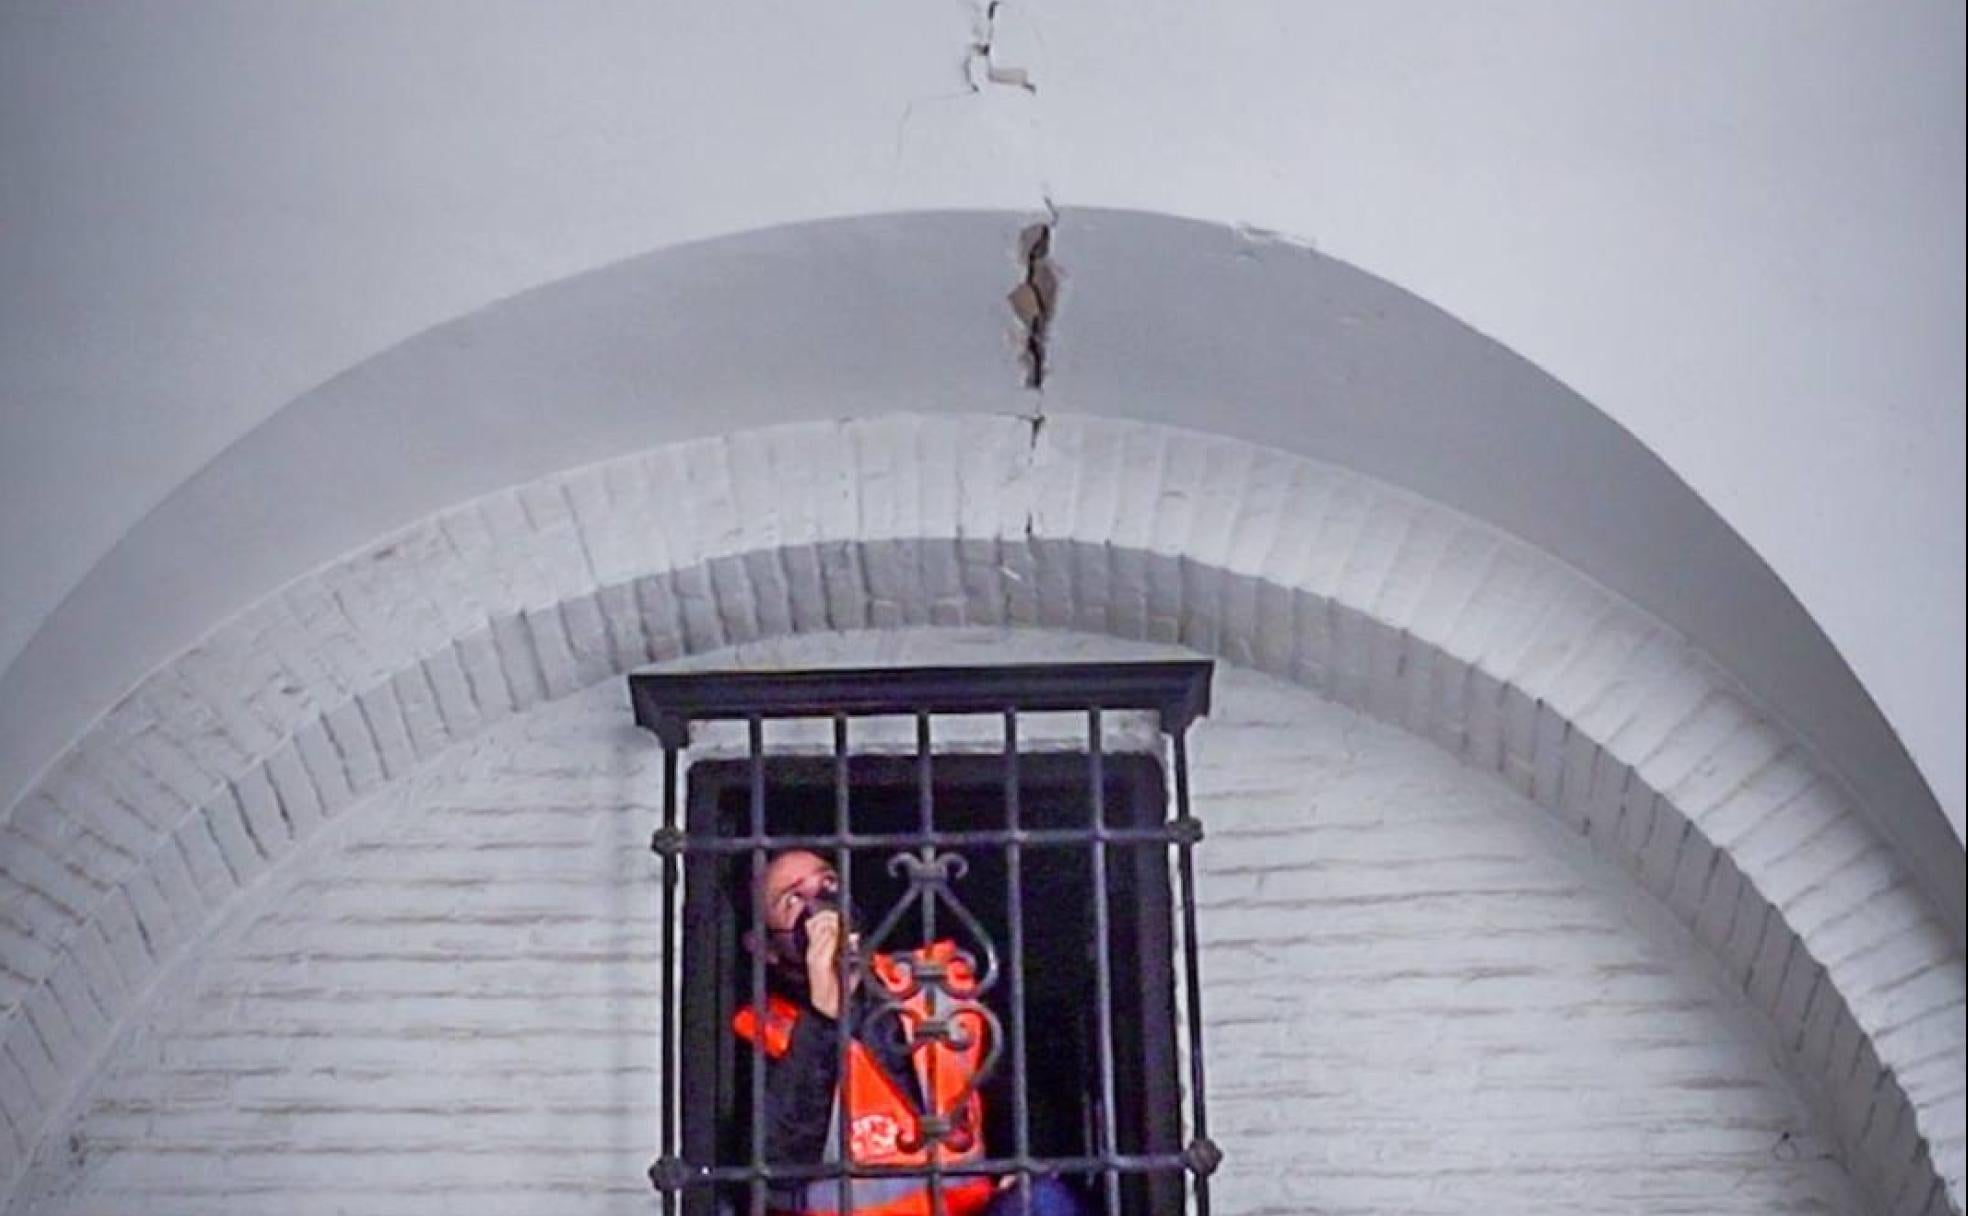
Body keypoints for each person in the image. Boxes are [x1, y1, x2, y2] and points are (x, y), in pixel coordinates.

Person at [733, 850, 1082, 1216]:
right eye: (792, 899)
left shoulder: (930, 981)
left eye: (829, 882)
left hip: (966, 1209)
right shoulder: (762, 1031)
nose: (821, 905)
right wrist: (824, 1018)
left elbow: (1011, 1082)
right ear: (764, 948)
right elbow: (772, 1173)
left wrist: (1022, 1158)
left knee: (1043, 1199)